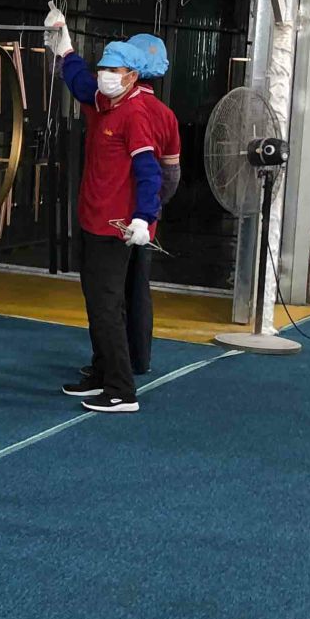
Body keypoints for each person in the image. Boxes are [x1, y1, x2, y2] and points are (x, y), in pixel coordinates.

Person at [43, 5, 166, 414]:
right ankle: (101, 371)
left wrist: (144, 218)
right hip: (92, 220)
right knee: (96, 303)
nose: (105, 76)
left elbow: (150, 172)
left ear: (132, 76)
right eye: (103, 69)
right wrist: (65, 48)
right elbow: (80, 83)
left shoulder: (135, 115)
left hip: (115, 228)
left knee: (108, 307)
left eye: (114, 71)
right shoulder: (103, 101)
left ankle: (121, 389)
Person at [120, 34, 182, 377]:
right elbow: (170, 176)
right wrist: (151, 209)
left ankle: (112, 362)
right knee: (139, 286)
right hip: (146, 219)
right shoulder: (167, 116)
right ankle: (139, 359)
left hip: (111, 218)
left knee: (110, 292)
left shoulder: (117, 108)